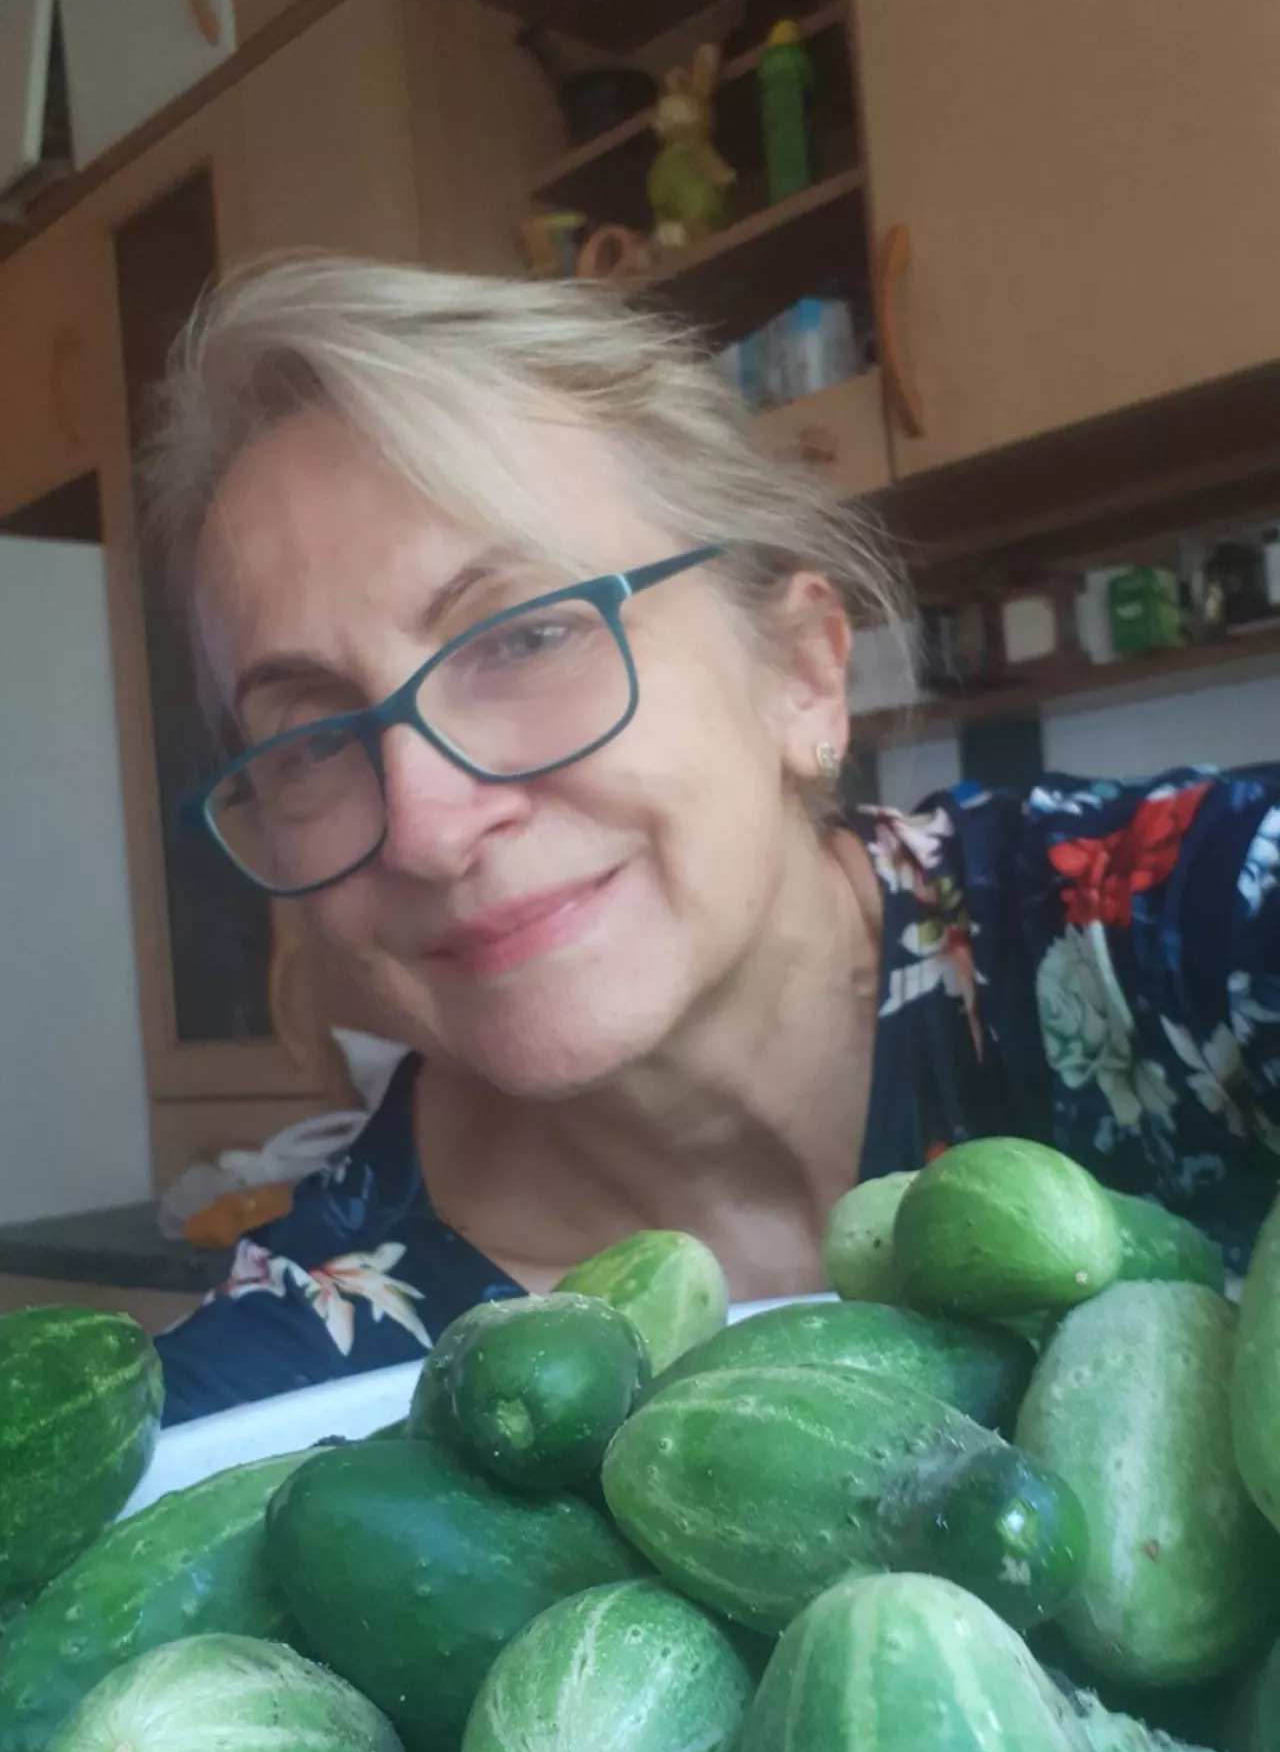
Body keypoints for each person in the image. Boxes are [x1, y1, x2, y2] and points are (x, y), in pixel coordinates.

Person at [147, 257, 1280, 1423]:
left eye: (524, 637)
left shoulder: (1185, 923)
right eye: (310, 740)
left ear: (800, 673)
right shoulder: (296, 1367)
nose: (430, 826)